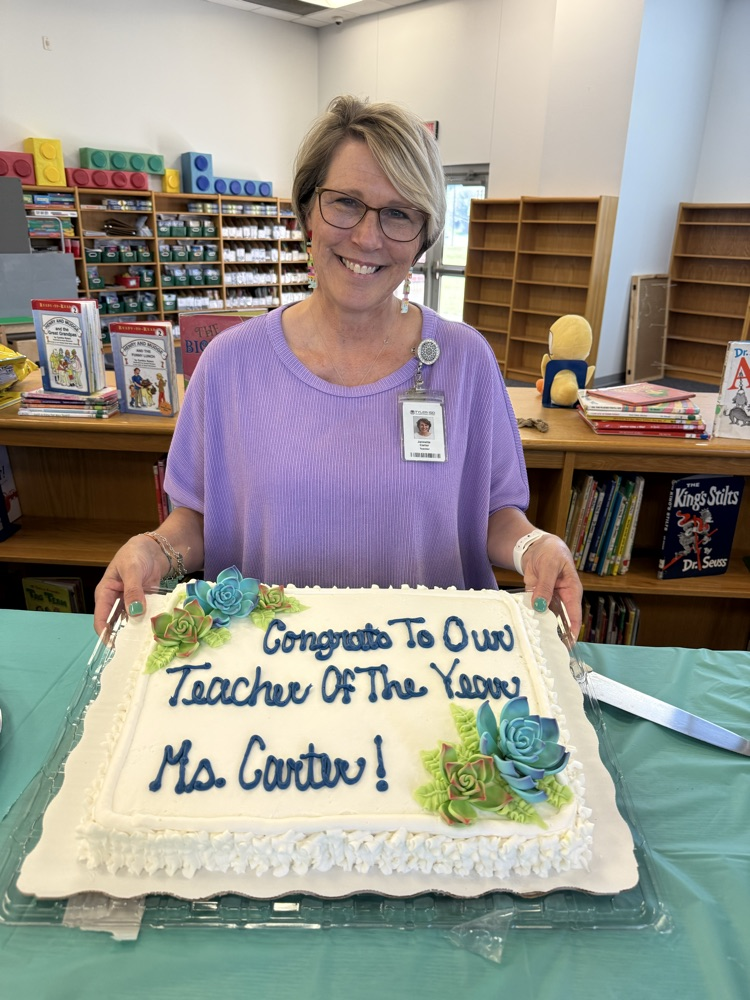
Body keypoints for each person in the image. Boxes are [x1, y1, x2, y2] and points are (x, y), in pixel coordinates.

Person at [94, 95, 582, 637]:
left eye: (399, 213)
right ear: (307, 211)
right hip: (270, 676)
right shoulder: (230, 365)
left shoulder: (466, 360)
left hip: (431, 671)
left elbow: (492, 514)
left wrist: (535, 545)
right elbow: (201, 520)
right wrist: (153, 550)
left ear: (423, 237)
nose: (368, 237)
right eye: (346, 202)